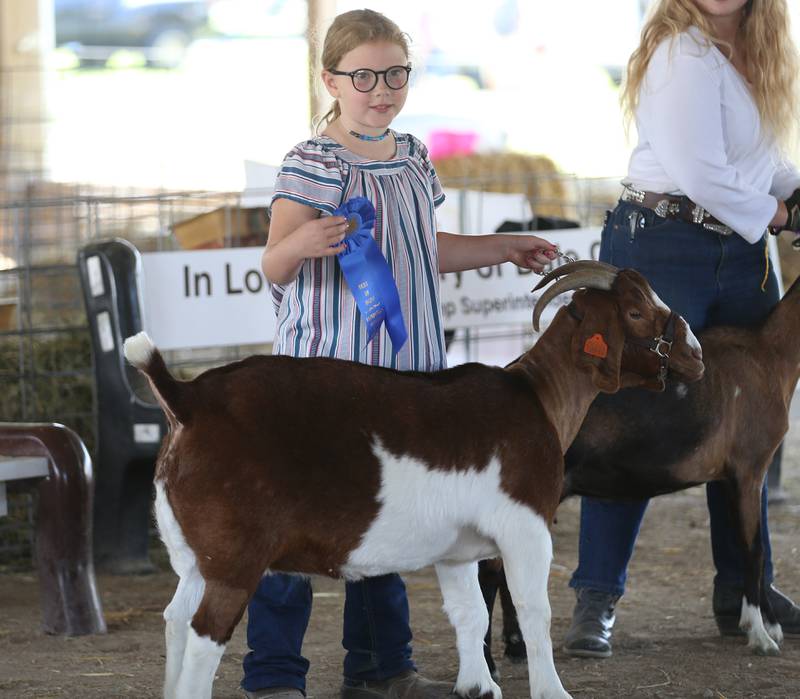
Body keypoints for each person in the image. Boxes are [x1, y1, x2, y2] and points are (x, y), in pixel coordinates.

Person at [242, 9, 559, 698]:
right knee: (293, 519)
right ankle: (272, 675)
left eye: (395, 73)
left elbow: (425, 248)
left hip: (408, 380)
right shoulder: (311, 162)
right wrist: (304, 244)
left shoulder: (413, 154)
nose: (381, 88)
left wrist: (502, 249)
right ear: (331, 78)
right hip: (321, 380)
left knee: (390, 520)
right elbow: (273, 263)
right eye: (364, 76)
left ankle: (381, 667)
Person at [564, 0, 800, 659]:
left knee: (752, 420)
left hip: (741, 252)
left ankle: (748, 591)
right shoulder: (678, 52)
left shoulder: (760, 50)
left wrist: (796, 192)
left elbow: (763, 161)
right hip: (665, 242)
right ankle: (597, 597)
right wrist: (783, 214)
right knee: (629, 413)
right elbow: (701, 175)